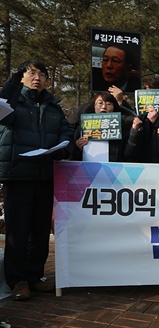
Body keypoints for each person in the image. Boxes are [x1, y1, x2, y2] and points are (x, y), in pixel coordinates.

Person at [0, 60, 74, 301]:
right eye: (32, 73)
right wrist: (13, 78)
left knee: (40, 231)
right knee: (17, 231)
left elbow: (67, 133)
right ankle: (17, 280)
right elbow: (1, 104)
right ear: (22, 77)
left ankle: (34, 276)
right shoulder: (12, 102)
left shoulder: (54, 107)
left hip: (45, 175)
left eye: (42, 74)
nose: (37, 78)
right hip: (18, 174)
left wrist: (65, 148)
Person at [71, 92, 136, 162]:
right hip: (88, 169)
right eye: (100, 103)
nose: (104, 107)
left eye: (108, 104)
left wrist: (135, 131)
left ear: (114, 107)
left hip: (117, 170)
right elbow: (73, 157)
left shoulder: (123, 127)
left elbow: (130, 154)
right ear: (94, 106)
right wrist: (77, 147)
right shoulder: (83, 128)